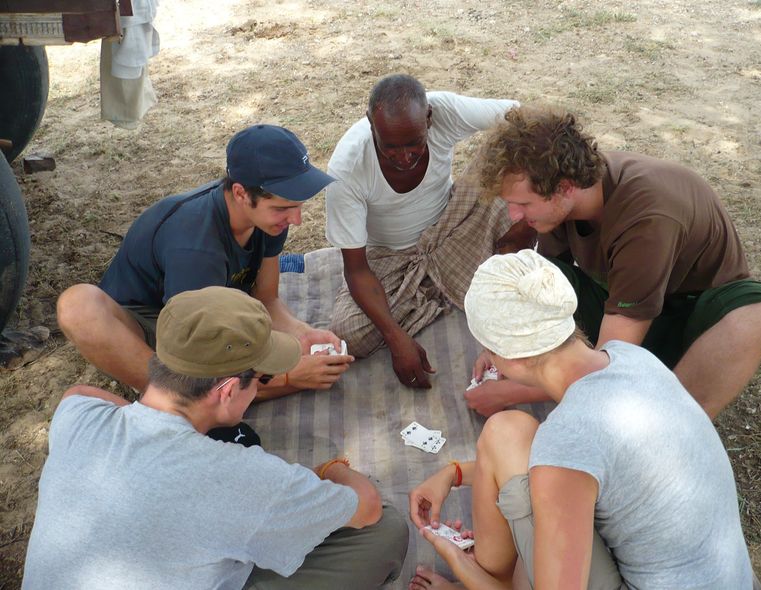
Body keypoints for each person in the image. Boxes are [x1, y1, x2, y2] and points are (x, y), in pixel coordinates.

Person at [408, 251, 760, 590]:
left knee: (505, 432)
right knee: (507, 432)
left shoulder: (565, 439)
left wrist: (456, 560)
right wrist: (453, 473)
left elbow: (565, 462)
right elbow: (580, 466)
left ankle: (485, 580)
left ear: (502, 356)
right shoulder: (632, 358)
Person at [23, 286, 408, 590]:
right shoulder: (242, 475)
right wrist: (332, 468)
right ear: (226, 391)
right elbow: (366, 508)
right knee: (386, 531)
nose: (261, 388)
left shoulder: (79, 419)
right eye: (263, 379)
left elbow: (78, 392)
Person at [466, 106, 761, 418]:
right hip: (629, 301)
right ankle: (647, 382)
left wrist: (513, 392)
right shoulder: (568, 195)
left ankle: (671, 421)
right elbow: (548, 287)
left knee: (759, 312)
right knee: (544, 278)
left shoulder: (648, 218)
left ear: (564, 188)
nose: (514, 216)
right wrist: (503, 347)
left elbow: (613, 364)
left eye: (522, 203)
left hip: (692, 315)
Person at [57, 124, 353, 398]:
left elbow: (266, 298)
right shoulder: (196, 249)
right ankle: (168, 396)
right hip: (150, 327)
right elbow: (199, 355)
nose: (296, 220)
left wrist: (302, 333)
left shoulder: (266, 220)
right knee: (78, 306)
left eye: (299, 206)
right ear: (240, 193)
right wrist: (288, 378)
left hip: (206, 317)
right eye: (283, 208)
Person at [325, 74, 525, 389]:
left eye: (414, 144)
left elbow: (522, 117)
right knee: (350, 331)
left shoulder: (445, 109)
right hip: (390, 255)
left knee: (513, 156)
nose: (404, 157)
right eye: (390, 148)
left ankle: (433, 285)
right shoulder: (347, 169)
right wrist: (396, 337)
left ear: (429, 119)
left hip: (451, 225)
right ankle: (447, 283)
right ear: (370, 124)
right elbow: (357, 268)